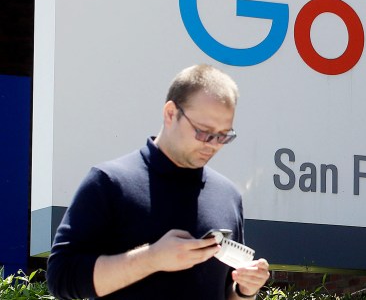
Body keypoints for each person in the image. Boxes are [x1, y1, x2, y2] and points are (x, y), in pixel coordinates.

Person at [47, 64, 269, 300]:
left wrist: (244, 291)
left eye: (224, 135)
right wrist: (152, 258)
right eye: (204, 132)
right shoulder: (110, 182)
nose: (213, 144)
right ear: (171, 113)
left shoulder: (227, 196)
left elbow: (223, 291)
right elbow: (61, 278)